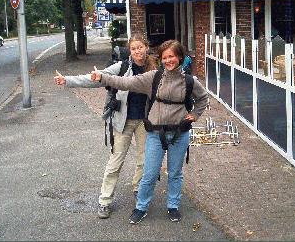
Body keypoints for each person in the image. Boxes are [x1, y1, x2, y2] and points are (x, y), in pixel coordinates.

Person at [91, 39, 209, 224]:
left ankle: (173, 206)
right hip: (155, 133)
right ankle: (141, 207)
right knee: (150, 173)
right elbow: (126, 82)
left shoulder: (189, 81)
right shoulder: (153, 77)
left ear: (179, 57)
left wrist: (194, 115)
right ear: (161, 59)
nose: (168, 60)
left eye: (171, 56)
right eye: (164, 57)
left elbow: (203, 99)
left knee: (175, 173)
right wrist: (103, 77)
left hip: (180, 133)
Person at [54, 33, 157, 219]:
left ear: (146, 47)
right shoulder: (122, 67)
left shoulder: (154, 68)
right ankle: (105, 200)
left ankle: (138, 188)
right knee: (116, 161)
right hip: (123, 120)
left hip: (145, 121)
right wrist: (67, 81)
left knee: (145, 159)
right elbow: (95, 78)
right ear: (130, 50)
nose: (137, 51)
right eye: (133, 48)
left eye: (140, 47)